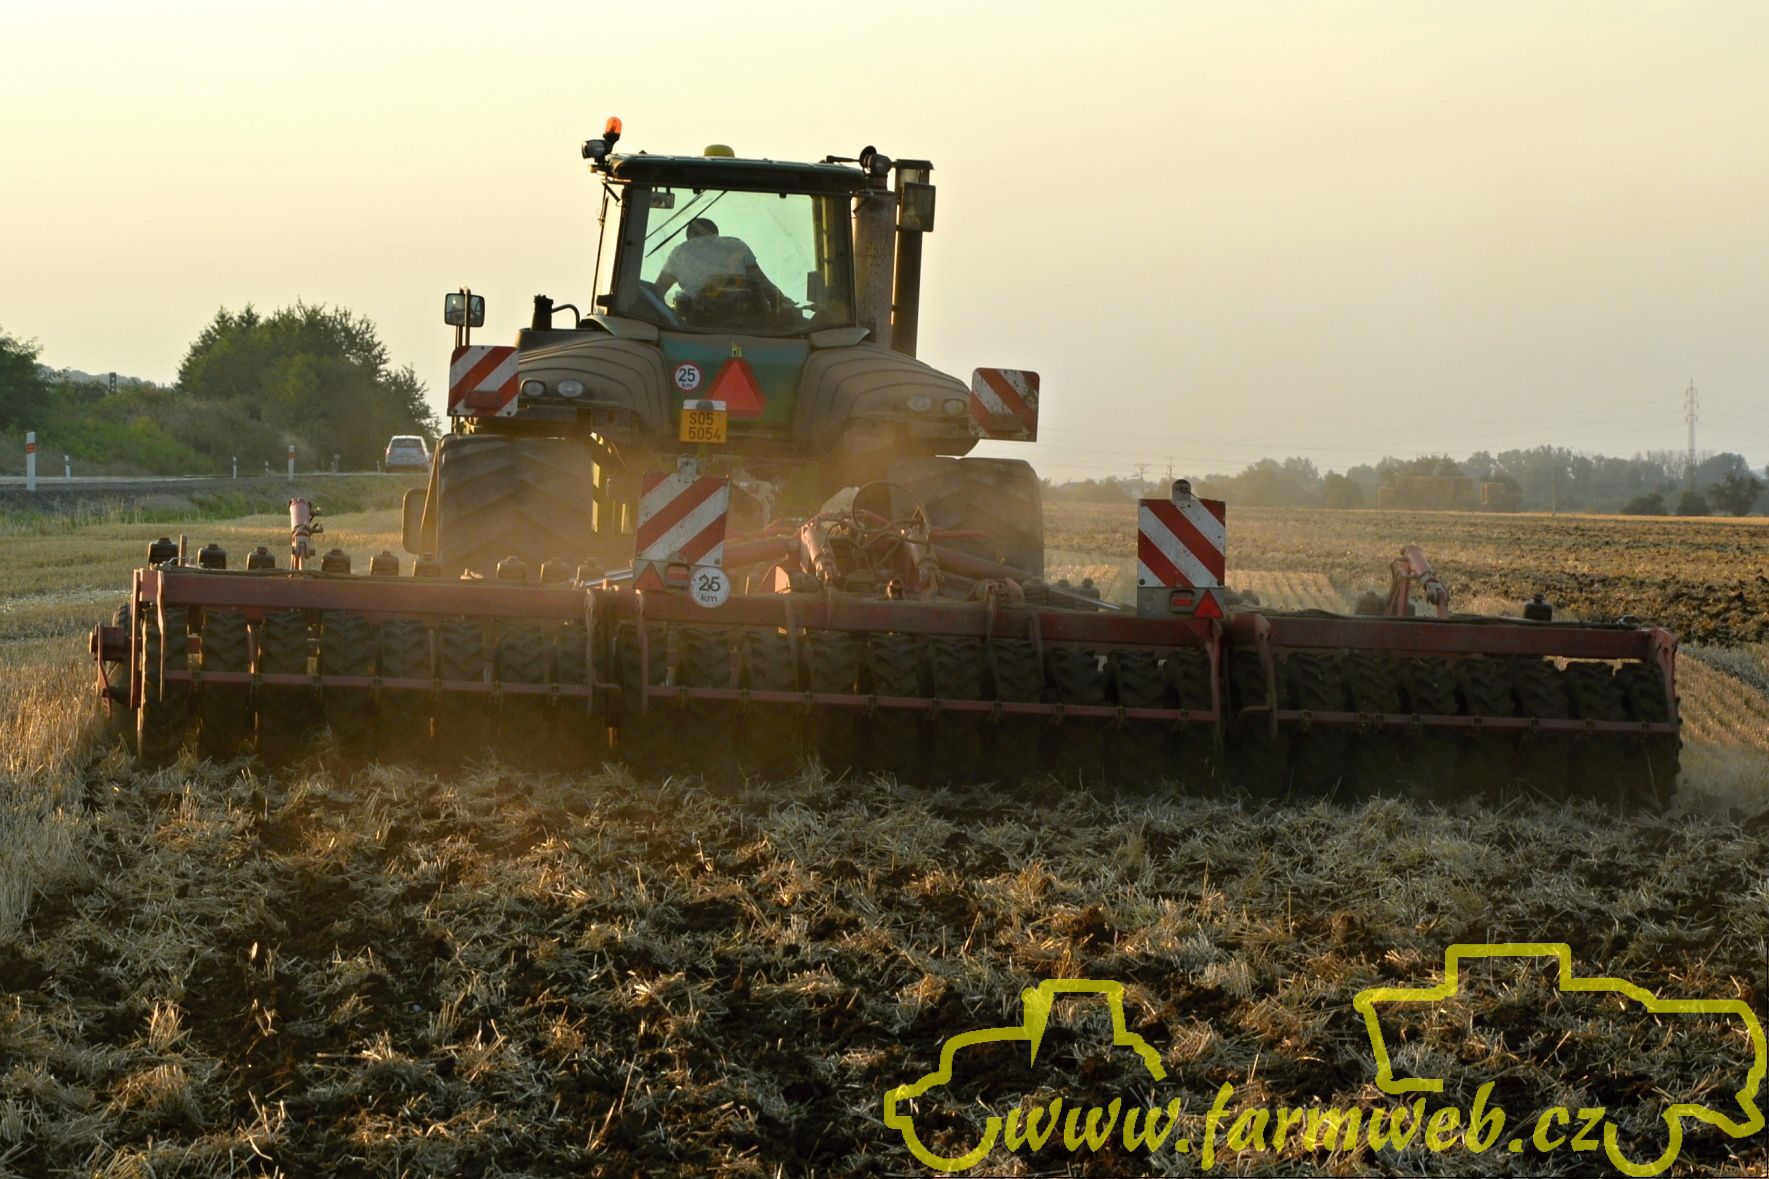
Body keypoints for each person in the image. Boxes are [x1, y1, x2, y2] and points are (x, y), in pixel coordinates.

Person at [653, 218, 790, 320]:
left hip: (700, 321)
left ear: (691, 236)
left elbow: (658, 291)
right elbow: (763, 281)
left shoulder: (680, 251)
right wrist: (783, 302)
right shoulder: (737, 245)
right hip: (745, 318)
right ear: (716, 234)